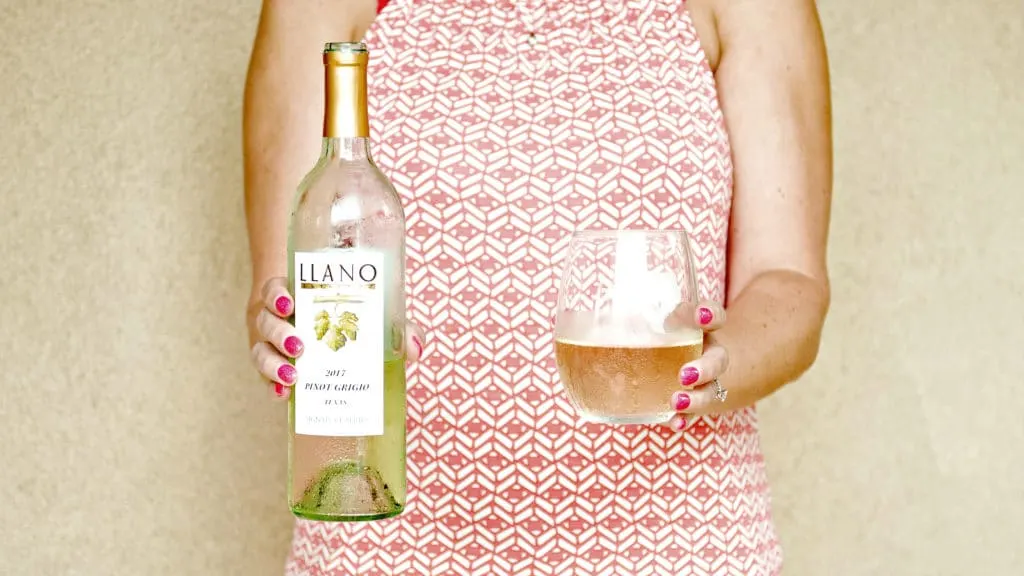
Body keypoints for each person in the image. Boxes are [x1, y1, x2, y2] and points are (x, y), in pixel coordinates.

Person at [243, 0, 832, 573]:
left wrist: (717, 367)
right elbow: (283, 289)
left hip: (682, 545)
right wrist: (282, 332)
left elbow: (789, 281)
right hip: (377, 546)